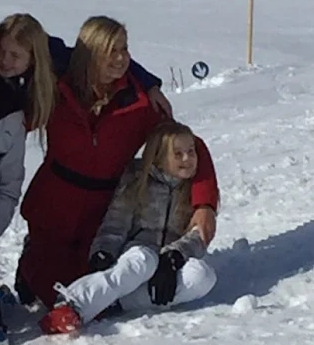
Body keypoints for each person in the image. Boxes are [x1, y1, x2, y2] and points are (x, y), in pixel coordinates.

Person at [18, 16, 220, 310]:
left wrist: (205, 205)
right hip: (54, 202)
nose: (121, 58)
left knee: (93, 294)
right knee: (49, 293)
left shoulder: (140, 101)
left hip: (104, 211)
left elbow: (185, 144)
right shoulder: (56, 86)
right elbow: (13, 117)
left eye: (124, 49)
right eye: (111, 51)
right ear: (90, 54)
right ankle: (29, 264)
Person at [39, 121, 217, 333]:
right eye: (177, 154)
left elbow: (198, 235)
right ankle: (73, 305)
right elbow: (116, 222)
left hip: (169, 264)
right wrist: (103, 251)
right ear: (159, 157)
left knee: (203, 276)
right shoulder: (138, 180)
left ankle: (115, 301)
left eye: (190, 152)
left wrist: (174, 257)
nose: (187, 159)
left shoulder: (195, 189)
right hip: (135, 259)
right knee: (144, 260)